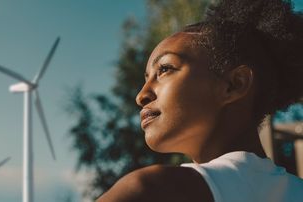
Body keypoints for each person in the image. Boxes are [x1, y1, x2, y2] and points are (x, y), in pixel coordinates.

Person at [97, 0, 303, 201]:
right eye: (147, 78)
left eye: (165, 69)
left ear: (234, 84)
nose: (141, 95)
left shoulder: (150, 190)